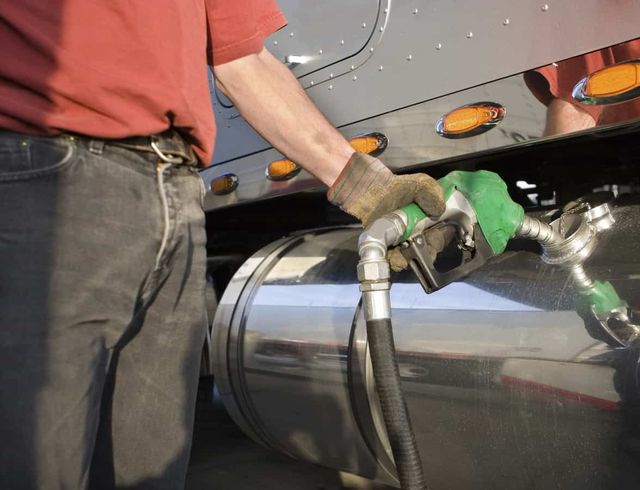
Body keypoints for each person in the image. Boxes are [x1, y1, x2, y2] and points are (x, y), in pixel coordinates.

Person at [0, 1, 446, 489]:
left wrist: (371, 189)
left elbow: (242, 59)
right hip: (45, 172)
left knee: (150, 469)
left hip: (174, 185)